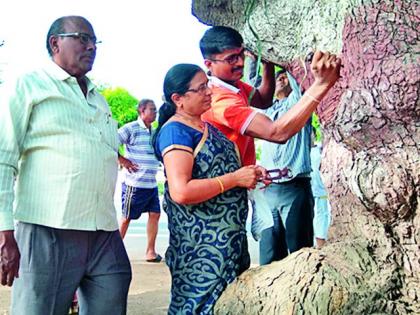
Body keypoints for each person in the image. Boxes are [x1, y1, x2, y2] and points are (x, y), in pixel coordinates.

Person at [0, 16, 131, 314]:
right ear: (55, 43)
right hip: (48, 228)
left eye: (94, 41)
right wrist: (4, 230)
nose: (91, 46)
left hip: (103, 229)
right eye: (82, 38)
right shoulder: (28, 86)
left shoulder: (98, 98)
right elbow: (3, 158)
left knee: (113, 293)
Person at [152, 63, 264, 314]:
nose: (209, 92)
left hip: (227, 246)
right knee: (198, 307)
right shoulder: (175, 132)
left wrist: (249, 173)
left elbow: (221, 170)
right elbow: (181, 191)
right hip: (201, 251)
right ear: (178, 99)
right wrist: (234, 179)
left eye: (208, 85)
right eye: (201, 88)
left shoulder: (205, 127)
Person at [200, 26, 341, 167]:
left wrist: (266, 61)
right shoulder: (221, 102)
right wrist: (322, 84)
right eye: (231, 59)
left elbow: (263, 100)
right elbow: (276, 133)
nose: (241, 62)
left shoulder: (232, 85)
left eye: (241, 54)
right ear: (209, 64)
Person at [258, 70, 314, 265]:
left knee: (300, 251)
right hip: (269, 188)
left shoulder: (299, 106)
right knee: (269, 250)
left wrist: (287, 67)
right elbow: (254, 85)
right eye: (277, 78)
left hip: (295, 186)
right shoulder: (266, 112)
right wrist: (265, 63)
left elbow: (298, 80)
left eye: (284, 77)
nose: (281, 80)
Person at [118, 98, 162, 262]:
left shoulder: (154, 131)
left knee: (155, 214)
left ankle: (150, 251)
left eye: (156, 110)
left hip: (150, 184)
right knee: (126, 217)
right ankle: (113, 251)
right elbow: (111, 143)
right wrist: (123, 160)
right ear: (142, 111)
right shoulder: (131, 128)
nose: (155, 113)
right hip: (134, 184)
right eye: (152, 109)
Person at [310, 140, 331, 248]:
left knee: (322, 216)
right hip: (310, 191)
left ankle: (321, 245)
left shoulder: (319, 150)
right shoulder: (303, 152)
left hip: (322, 192)